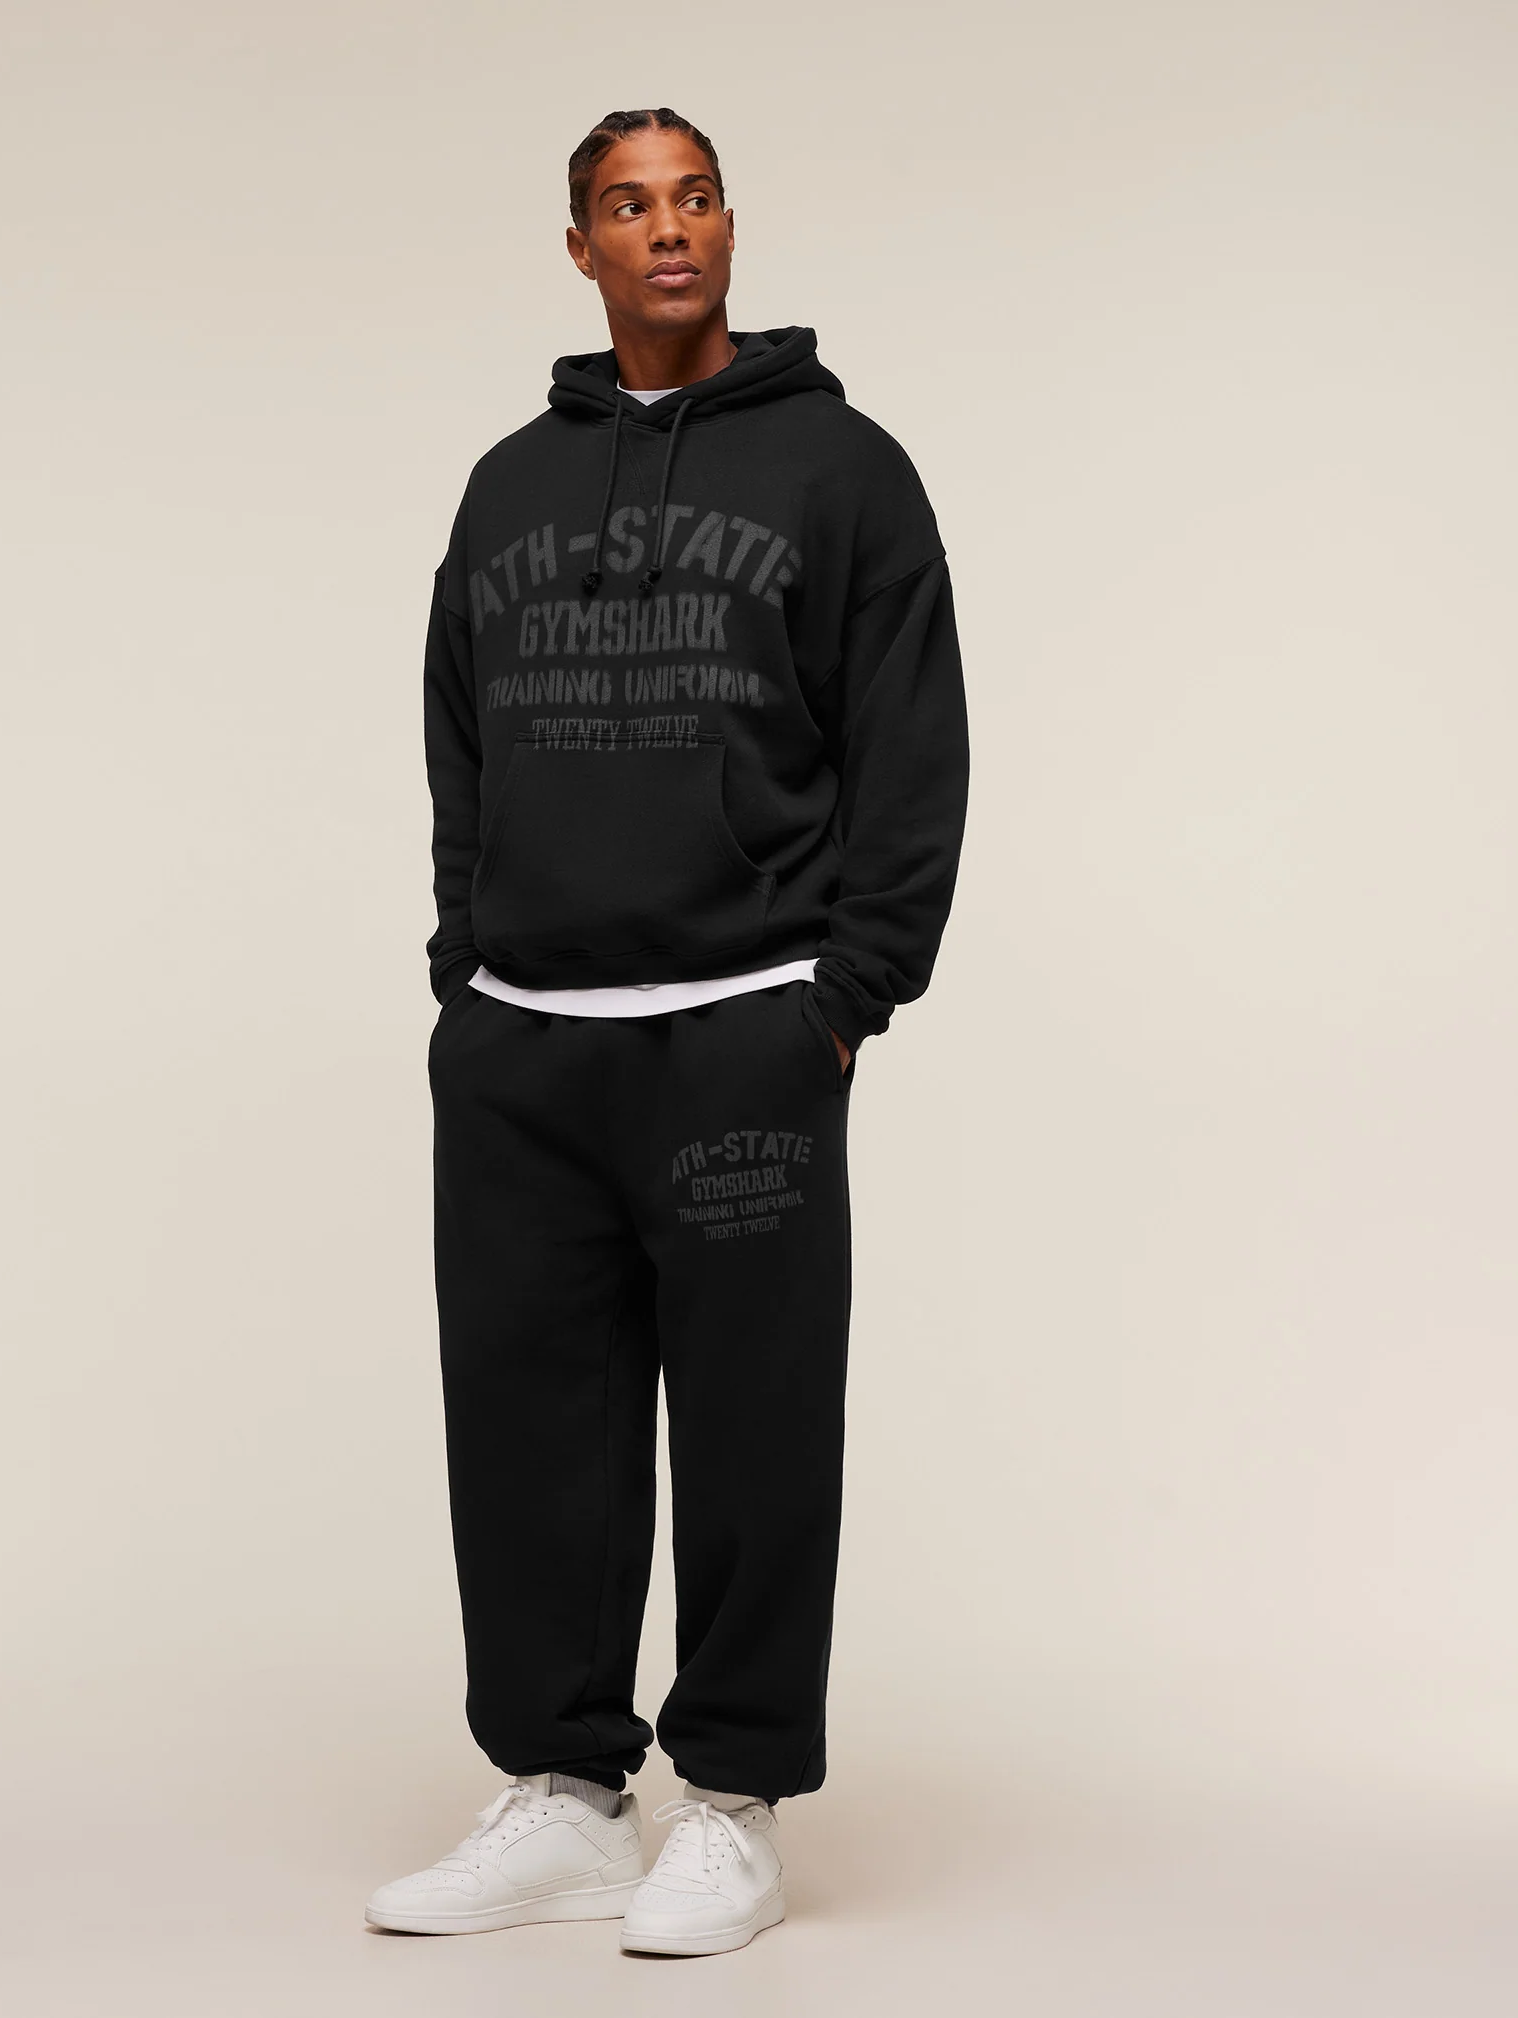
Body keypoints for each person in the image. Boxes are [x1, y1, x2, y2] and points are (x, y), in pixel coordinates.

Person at [366, 106, 970, 1958]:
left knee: (755, 1433)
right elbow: (456, 729)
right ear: (582, 247)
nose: (669, 228)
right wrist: (467, 969)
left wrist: (844, 997)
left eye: (694, 195)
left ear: (727, 224)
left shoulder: (844, 469)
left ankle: (733, 1805)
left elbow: (912, 744)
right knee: (526, 1429)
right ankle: (561, 1794)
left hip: (740, 1029)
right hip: (525, 1047)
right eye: (629, 206)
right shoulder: (507, 485)